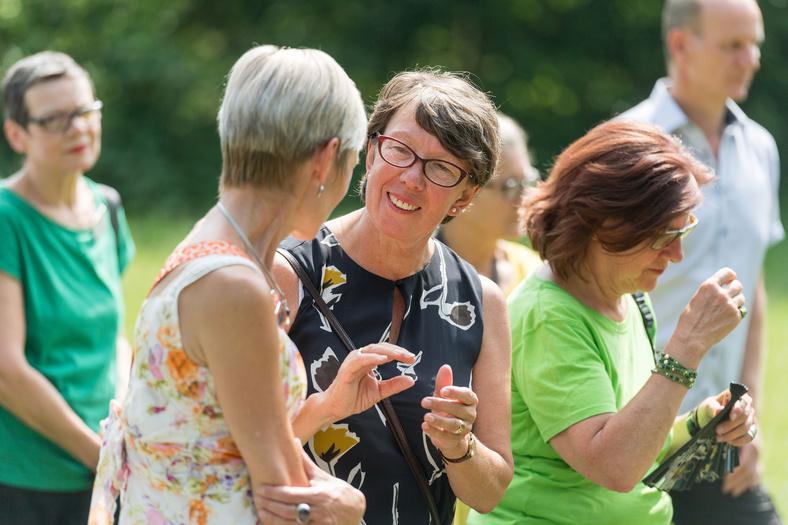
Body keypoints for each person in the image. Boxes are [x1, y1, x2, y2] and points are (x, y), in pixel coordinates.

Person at [87, 45, 418, 525]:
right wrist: (351, 506)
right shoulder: (232, 285)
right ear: (325, 161)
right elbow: (287, 500)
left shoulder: (216, 250)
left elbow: (238, 438)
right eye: (352, 159)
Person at [468, 119, 759, 524]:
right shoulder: (548, 316)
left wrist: (700, 423)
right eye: (661, 235)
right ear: (602, 224)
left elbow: (634, 441)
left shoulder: (628, 297)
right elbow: (613, 465)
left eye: (683, 230)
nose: (676, 255)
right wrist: (688, 345)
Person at [263, 68, 515, 524]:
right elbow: (224, 447)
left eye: (441, 168)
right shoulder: (290, 274)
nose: (412, 178)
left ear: (465, 196)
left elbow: (490, 493)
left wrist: (460, 446)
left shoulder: (481, 301)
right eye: (400, 150)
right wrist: (324, 410)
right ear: (370, 152)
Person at [617, 0, 783, 522]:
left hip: (719, 434)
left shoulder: (762, 149)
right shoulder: (627, 145)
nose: (751, 58)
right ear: (680, 46)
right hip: (629, 430)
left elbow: (750, 279)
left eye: (754, 43)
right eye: (733, 45)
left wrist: (747, 415)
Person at [0, 51, 135, 525]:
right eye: (55, 118)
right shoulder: (6, 219)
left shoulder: (108, 208)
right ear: (17, 134)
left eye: (83, 111)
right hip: (29, 482)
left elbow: (113, 337)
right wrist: (97, 452)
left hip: (105, 467)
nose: (76, 128)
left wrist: (123, 429)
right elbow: (5, 370)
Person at [436, 113, 541, 297]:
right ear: (463, 192)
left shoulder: (534, 275)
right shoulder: (413, 271)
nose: (525, 198)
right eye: (511, 186)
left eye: (527, 180)